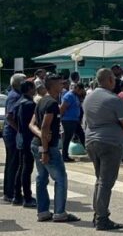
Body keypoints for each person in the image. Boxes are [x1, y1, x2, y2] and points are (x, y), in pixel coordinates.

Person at [83, 68, 123, 230]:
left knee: (100, 180)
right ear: (110, 80)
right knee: (106, 182)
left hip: (92, 141)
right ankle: (102, 218)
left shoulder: (88, 98)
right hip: (110, 142)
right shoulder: (114, 99)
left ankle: (98, 213)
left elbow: (85, 122)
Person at [29, 74, 80, 223]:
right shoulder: (51, 103)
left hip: (37, 143)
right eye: (60, 83)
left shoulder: (41, 101)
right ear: (52, 86)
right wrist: (45, 148)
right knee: (60, 178)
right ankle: (59, 213)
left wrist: (40, 135)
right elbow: (44, 126)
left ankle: (43, 212)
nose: (63, 85)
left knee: (42, 177)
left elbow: (32, 124)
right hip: (47, 147)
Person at [3, 73, 27, 203]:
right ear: (18, 83)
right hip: (12, 134)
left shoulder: (16, 95)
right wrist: (20, 130)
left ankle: (10, 191)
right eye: (23, 81)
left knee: (13, 163)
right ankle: (10, 192)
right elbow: (9, 116)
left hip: (12, 133)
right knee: (13, 163)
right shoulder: (15, 96)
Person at [14, 81, 38, 208]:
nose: (35, 90)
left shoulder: (19, 102)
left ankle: (17, 195)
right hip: (28, 138)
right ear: (29, 89)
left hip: (21, 137)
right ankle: (27, 197)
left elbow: (11, 117)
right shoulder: (29, 104)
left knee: (21, 167)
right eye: (34, 87)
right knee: (27, 169)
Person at [60, 83, 86, 162]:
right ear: (77, 88)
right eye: (81, 90)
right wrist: (61, 119)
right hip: (68, 120)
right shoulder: (69, 96)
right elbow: (62, 108)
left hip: (75, 120)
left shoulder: (75, 96)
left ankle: (90, 151)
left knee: (82, 135)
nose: (81, 92)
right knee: (67, 138)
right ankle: (64, 156)